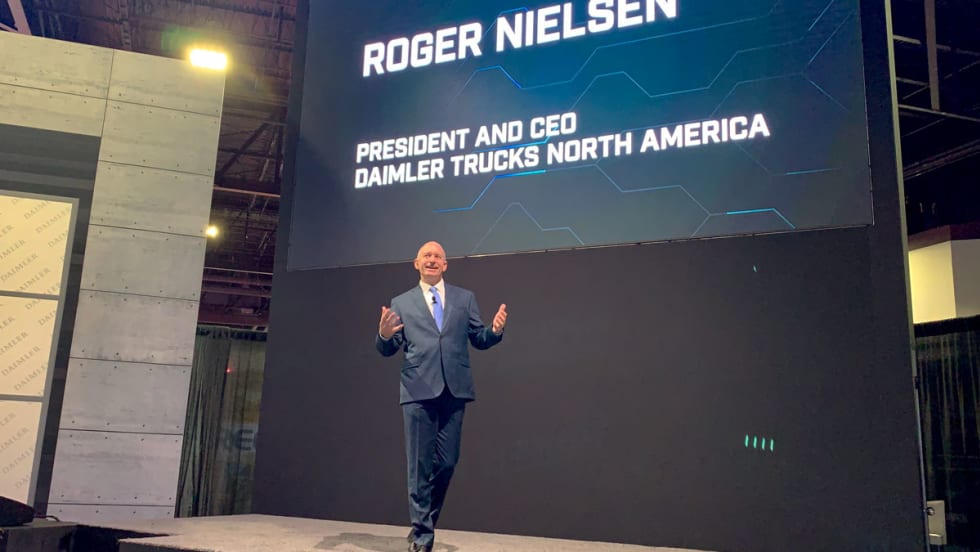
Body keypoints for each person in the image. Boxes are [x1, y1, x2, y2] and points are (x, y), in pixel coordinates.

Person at [375, 241, 507, 552]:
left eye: (438, 256)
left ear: (445, 265)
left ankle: (424, 521)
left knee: (446, 463)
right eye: (427, 256)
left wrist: (494, 331)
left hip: (454, 389)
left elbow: (478, 338)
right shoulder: (401, 302)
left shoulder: (464, 298)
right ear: (416, 263)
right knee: (419, 466)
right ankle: (423, 536)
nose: (432, 260)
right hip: (417, 389)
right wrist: (384, 334)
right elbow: (388, 348)